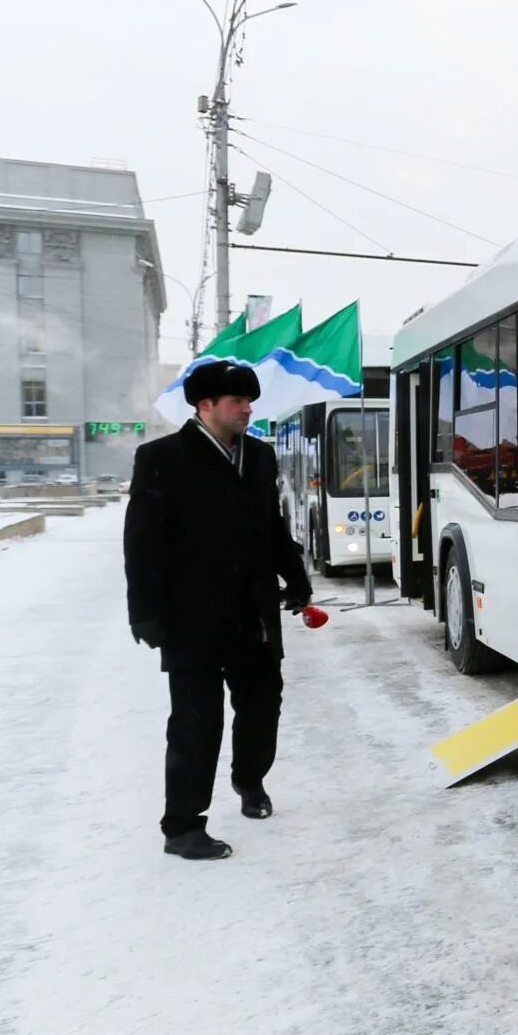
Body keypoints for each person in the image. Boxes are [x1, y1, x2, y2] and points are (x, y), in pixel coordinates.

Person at [123, 359, 314, 861]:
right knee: (195, 722)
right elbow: (141, 543)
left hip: (253, 614)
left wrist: (296, 579)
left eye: (249, 401)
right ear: (204, 406)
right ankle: (182, 826)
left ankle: (249, 779)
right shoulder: (162, 458)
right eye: (237, 402)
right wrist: (144, 611)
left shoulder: (262, 457)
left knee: (262, 707)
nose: (248, 409)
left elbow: (272, 527)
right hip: (191, 619)